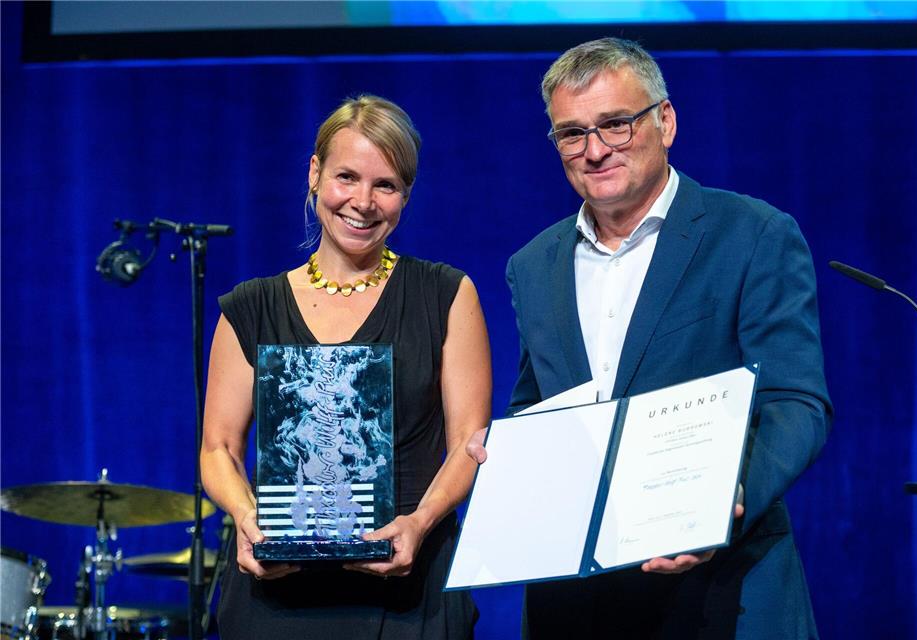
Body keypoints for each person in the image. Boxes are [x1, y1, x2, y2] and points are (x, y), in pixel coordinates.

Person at [468, 38, 832, 639]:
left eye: (615, 124)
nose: (595, 150)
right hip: (576, 604)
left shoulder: (753, 234)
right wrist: (509, 458)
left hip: (722, 592)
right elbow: (536, 405)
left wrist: (726, 504)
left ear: (665, 120)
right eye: (572, 133)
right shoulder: (533, 264)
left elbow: (795, 402)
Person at [201, 95, 491, 639]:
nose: (363, 202)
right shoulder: (251, 307)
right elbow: (218, 449)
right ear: (314, 174)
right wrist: (246, 518)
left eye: (385, 185)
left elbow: (468, 445)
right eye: (346, 177)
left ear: (406, 193)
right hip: (277, 597)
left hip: (411, 594)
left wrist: (418, 524)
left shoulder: (446, 295)